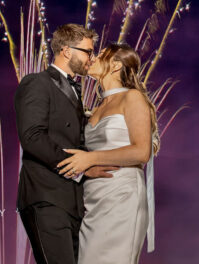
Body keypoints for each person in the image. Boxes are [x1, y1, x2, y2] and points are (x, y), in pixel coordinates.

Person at [14, 23, 118, 264]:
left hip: (73, 202)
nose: (91, 59)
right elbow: (32, 137)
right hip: (46, 196)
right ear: (66, 51)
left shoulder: (75, 91)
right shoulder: (36, 82)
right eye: (88, 52)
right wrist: (82, 167)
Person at [57, 42, 158, 264]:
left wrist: (90, 158)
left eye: (101, 54)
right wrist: (87, 169)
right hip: (91, 200)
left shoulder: (132, 97)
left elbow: (142, 151)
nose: (92, 57)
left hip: (121, 196)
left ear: (115, 65)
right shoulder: (96, 107)